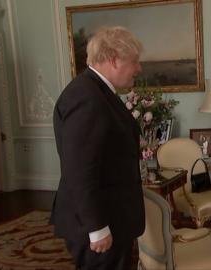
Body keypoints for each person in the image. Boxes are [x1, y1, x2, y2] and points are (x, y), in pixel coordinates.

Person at [51, 26, 145, 270]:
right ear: (114, 59)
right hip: (99, 223)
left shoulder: (97, 91)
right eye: (135, 61)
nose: (139, 68)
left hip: (111, 216)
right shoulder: (87, 97)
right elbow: (80, 170)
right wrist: (97, 228)